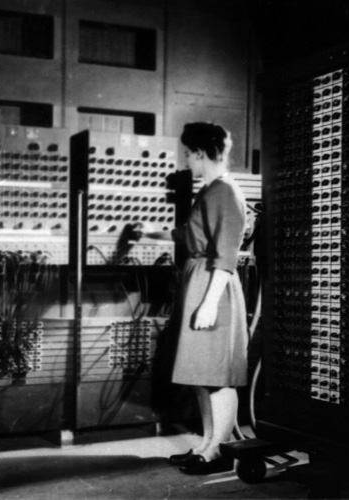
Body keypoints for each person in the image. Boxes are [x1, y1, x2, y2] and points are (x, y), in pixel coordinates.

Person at [137, 122, 248, 475]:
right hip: (198, 280)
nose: (185, 160)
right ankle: (206, 443)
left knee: (217, 374)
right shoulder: (210, 190)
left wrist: (210, 302)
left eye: (188, 154)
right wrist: (147, 232)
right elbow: (187, 234)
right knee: (201, 372)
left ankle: (219, 448)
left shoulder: (225, 192)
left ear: (200, 153)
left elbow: (226, 255)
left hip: (214, 286)